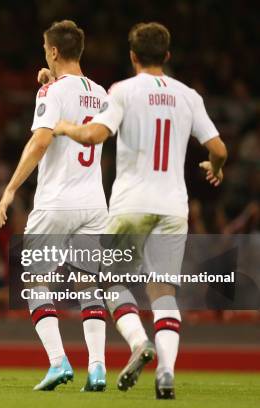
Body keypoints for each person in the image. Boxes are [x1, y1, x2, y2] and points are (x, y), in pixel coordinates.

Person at [53, 22, 227, 399]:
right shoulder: (188, 96)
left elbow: (94, 135)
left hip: (131, 205)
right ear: (166, 55)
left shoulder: (124, 92)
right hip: (172, 207)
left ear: (132, 56)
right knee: (163, 291)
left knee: (113, 281)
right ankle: (166, 373)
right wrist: (215, 167)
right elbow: (219, 147)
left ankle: (137, 343)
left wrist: (66, 127)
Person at [0, 20, 108, 392]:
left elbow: (41, 141)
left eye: (46, 50)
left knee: (35, 280)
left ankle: (58, 361)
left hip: (56, 201)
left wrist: (11, 188)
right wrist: (50, 84)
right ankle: (97, 368)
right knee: (89, 285)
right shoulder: (103, 93)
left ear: (54, 52)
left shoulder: (52, 92)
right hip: (94, 202)